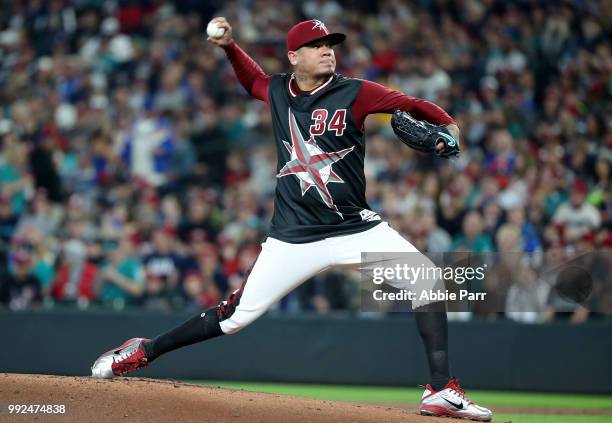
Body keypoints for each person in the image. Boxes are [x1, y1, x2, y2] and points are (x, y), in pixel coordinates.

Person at [91, 18, 492, 421]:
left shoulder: (357, 92)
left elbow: (416, 106)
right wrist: (230, 48)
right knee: (234, 319)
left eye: (330, 44)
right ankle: (144, 350)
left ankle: (440, 390)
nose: (327, 50)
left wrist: (449, 128)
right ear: (294, 56)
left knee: (426, 278)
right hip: (294, 237)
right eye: (317, 45)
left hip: (355, 227)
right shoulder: (279, 90)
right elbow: (253, 82)